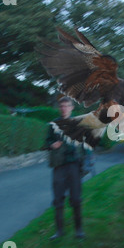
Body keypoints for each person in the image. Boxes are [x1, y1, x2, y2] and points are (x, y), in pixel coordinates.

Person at [46, 97, 86, 240]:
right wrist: (51, 145)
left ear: (71, 108)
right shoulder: (53, 125)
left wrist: (87, 162)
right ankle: (59, 231)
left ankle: (79, 230)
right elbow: (46, 142)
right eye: (61, 106)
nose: (64, 108)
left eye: (66, 105)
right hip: (59, 167)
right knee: (58, 199)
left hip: (74, 165)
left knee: (76, 199)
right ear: (59, 107)